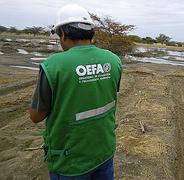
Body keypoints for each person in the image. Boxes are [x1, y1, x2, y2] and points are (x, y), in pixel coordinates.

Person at [29, 4, 122, 180]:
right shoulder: (113, 60)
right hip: (104, 150)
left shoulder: (54, 65)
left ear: (63, 33)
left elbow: (36, 116)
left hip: (70, 159)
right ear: (90, 32)